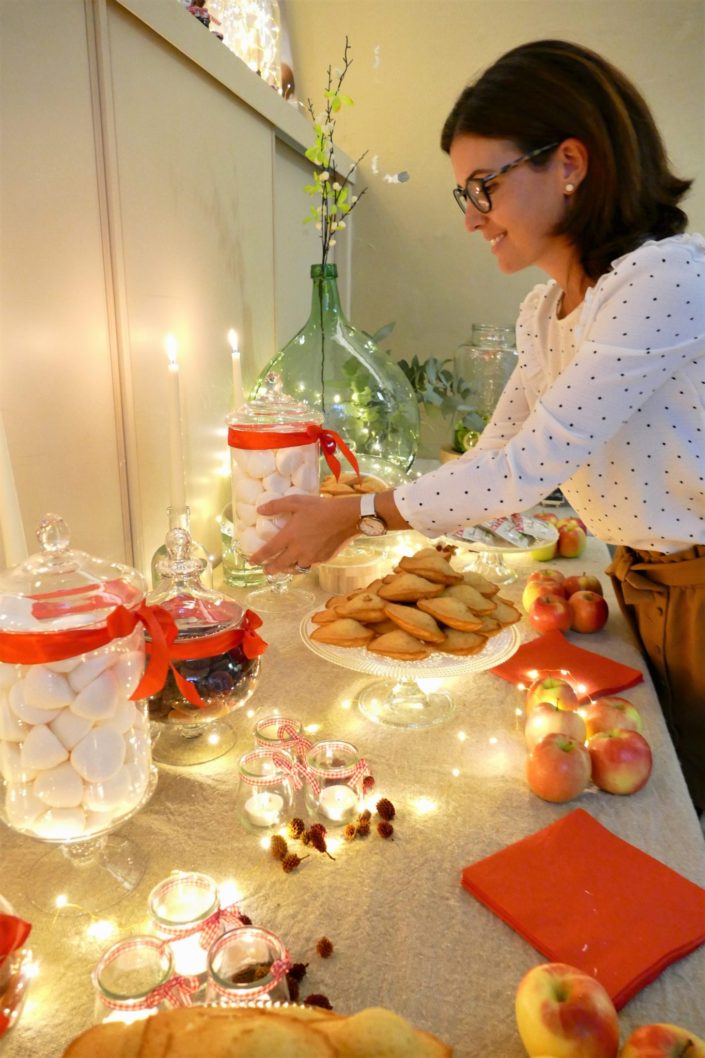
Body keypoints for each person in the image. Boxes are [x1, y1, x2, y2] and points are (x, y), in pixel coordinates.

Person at [252, 39, 705, 811]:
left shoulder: (665, 276)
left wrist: (361, 513)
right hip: (642, 582)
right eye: (463, 195)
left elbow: (528, 466)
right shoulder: (544, 310)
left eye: (482, 187)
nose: (472, 219)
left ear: (569, 162)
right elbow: (495, 456)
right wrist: (365, 510)